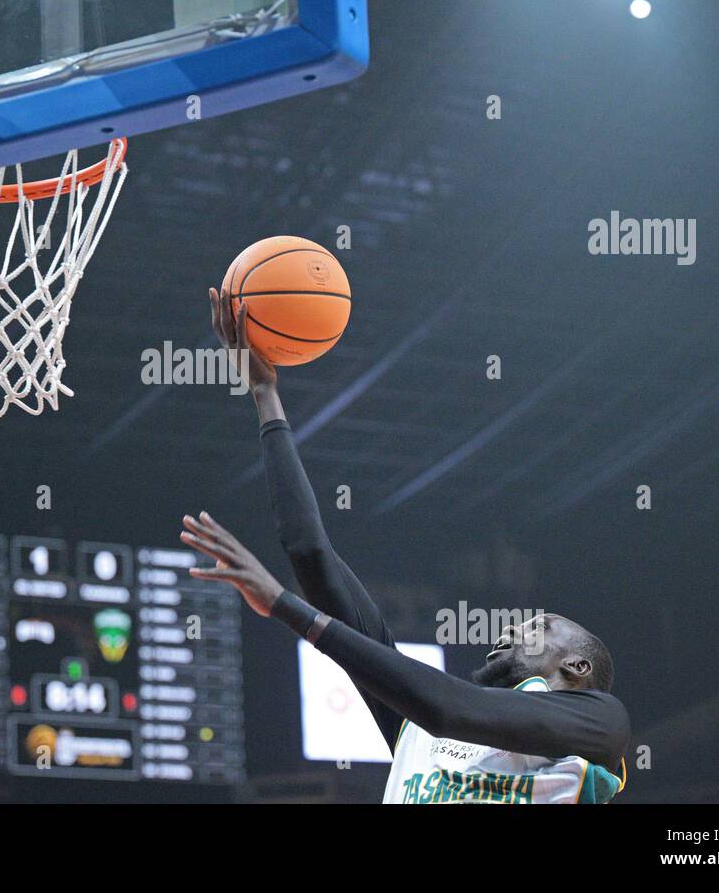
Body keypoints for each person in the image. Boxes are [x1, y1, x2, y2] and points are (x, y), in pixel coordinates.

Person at [179, 290, 630, 804]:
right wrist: (265, 394)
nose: (513, 627)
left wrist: (283, 606)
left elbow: (448, 706)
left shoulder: (597, 722)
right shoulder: (415, 730)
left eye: (539, 627)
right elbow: (309, 552)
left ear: (577, 669)